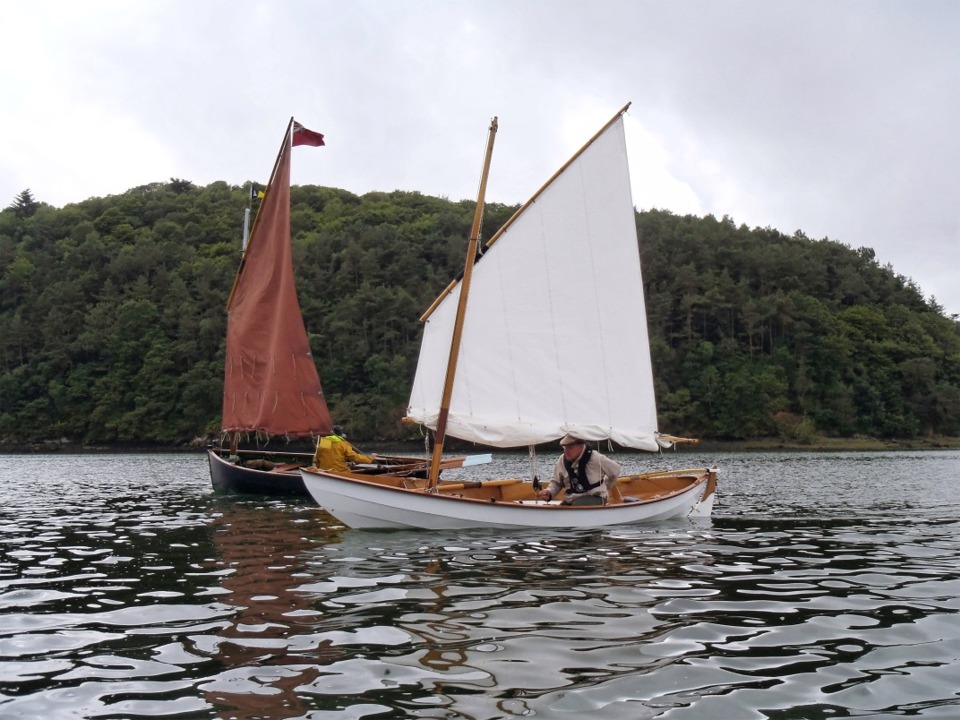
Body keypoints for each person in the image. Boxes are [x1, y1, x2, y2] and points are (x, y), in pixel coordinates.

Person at [536, 434, 621, 506]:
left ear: (581, 447)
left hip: (595, 498)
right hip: (572, 499)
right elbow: (556, 482)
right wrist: (549, 492)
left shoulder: (595, 458)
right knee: (560, 509)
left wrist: (606, 486)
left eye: (570, 448)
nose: (566, 452)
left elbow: (615, 470)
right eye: (565, 448)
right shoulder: (562, 460)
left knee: (574, 508)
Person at [313, 424, 378, 473]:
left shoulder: (324, 442)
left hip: (324, 471)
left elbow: (318, 460)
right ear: (341, 435)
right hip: (340, 472)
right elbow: (354, 457)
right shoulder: (343, 444)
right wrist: (369, 459)